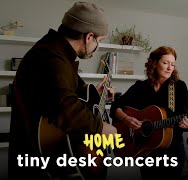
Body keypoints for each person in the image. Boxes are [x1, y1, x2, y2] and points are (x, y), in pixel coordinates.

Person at [8, 2, 116, 180]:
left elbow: (60, 93)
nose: (98, 48)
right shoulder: (52, 57)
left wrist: (95, 93)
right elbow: (65, 107)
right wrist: (101, 128)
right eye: (100, 41)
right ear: (89, 37)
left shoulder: (56, 52)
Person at [110, 46, 188, 180]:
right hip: (146, 149)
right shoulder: (140, 87)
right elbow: (115, 107)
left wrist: (186, 124)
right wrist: (125, 119)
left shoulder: (179, 87)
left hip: (172, 151)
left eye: (172, 64)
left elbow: (186, 119)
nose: (169, 68)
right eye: (165, 63)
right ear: (154, 63)